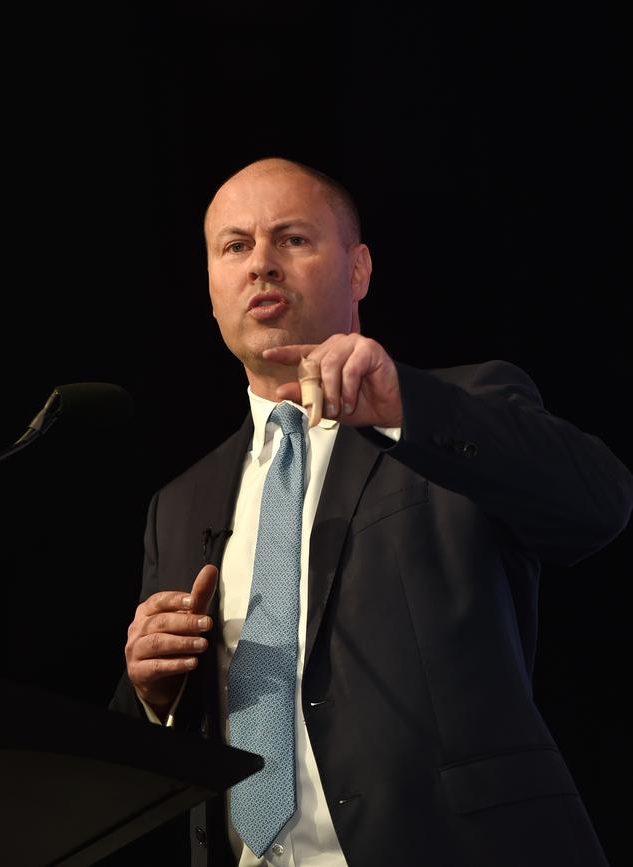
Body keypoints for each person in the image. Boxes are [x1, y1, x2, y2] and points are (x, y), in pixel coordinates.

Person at [111, 157, 632, 867]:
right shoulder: (177, 505)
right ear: (210, 288)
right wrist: (148, 693)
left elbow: (597, 505)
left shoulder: (451, 412)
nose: (261, 263)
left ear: (358, 270)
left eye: (292, 239)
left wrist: (404, 409)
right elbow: (127, 769)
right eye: (235, 246)